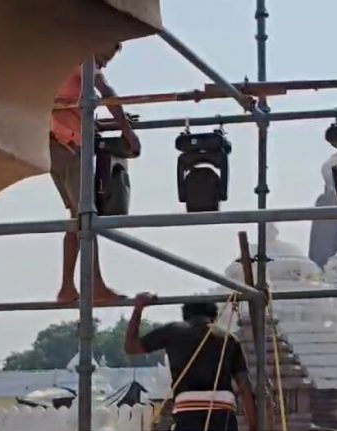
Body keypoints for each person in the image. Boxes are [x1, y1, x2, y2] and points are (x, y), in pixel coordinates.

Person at [51, 43, 141, 304]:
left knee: (78, 218)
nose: (102, 65)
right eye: (104, 57)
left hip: (57, 143)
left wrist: (96, 123)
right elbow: (107, 93)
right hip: (69, 146)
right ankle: (93, 286)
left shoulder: (59, 61)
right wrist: (127, 131)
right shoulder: (82, 58)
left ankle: (70, 287)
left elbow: (69, 105)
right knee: (86, 215)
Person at [124, 293, 258, 431]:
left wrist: (138, 308)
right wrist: (254, 426)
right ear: (214, 316)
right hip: (222, 411)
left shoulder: (172, 331)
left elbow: (131, 347)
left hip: (187, 411)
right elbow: (244, 385)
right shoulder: (229, 339)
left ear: (186, 315)